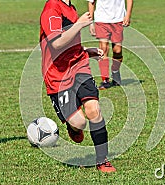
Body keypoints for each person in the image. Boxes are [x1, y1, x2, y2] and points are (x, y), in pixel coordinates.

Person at [39, 0, 116, 172]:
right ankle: (72, 127)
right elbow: (56, 43)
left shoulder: (71, 8)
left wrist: (86, 51)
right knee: (79, 123)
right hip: (57, 75)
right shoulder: (52, 8)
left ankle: (102, 160)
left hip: (79, 67)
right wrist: (79, 24)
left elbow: (70, 43)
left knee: (93, 109)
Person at [88, 0, 133, 90]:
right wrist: (90, 22)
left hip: (118, 20)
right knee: (103, 49)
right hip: (101, 20)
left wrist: (127, 15)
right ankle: (105, 80)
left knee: (117, 51)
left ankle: (115, 71)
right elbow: (91, 2)